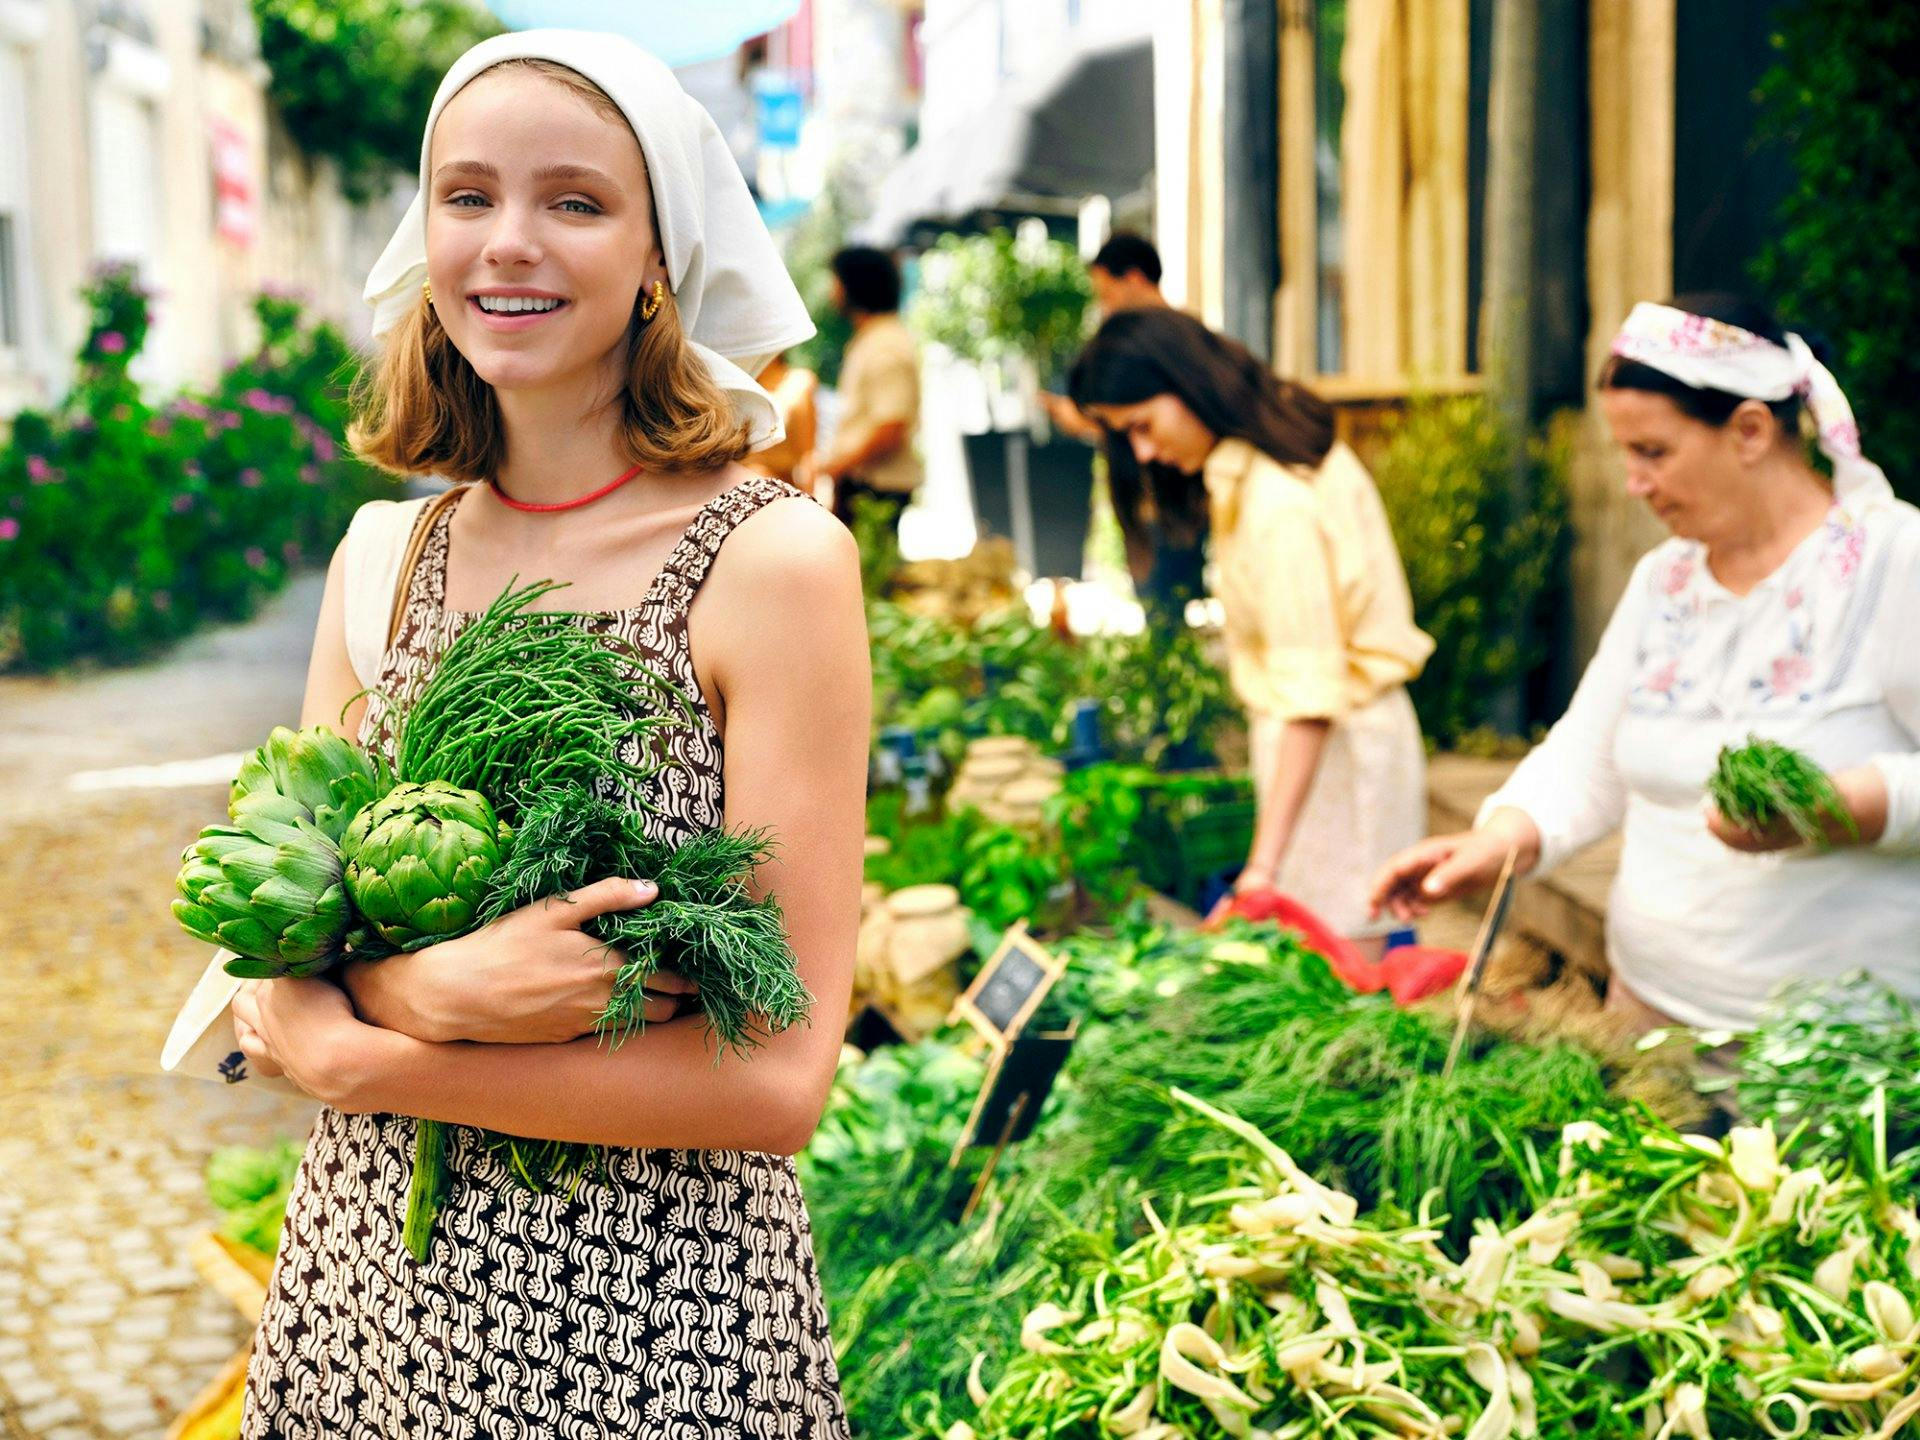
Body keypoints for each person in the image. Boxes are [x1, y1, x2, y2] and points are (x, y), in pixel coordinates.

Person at [223, 32, 865, 1435]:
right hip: (371, 1307)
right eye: (468, 196)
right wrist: (422, 992)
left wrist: (375, 1047)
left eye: (573, 201)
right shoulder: (383, 559)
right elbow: (270, 975)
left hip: (656, 1327)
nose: (508, 244)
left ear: (656, 256)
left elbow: (778, 1077)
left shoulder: (772, 565)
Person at [1371, 295, 1920, 1035]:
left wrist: (1839, 804)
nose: (1632, 482)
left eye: (1652, 452)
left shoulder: (1894, 561)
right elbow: (1587, 758)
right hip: (1651, 1029)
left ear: (1750, 431)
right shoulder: (1666, 579)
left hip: (1837, 1067)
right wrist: (1498, 840)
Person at [1071, 307, 1433, 947]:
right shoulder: (1269, 451)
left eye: (1143, 426)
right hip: (1335, 750)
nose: (1145, 451)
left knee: (1348, 967)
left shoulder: (1275, 502)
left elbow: (1310, 700)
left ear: (1185, 384)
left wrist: (1261, 868)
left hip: (1337, 757)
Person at [1040, 234, 1203, 623]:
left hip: (1174, 501)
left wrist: (1081, 421)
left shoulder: (1168, 341)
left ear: (1133, 279)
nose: (1103, 306)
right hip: (1150, 501)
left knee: (1166, 608)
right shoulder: (1168, 334)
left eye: (1106, 293)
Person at [800, 245, 921, 531]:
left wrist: (834, 465)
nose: (833, 293)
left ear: (854, 285)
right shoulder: (873, 339)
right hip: (864, 486)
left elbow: (891, 428)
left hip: (875, 491)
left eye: (836, 282)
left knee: (868, 573)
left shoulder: (885, 345)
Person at [746, 349, 819, 489]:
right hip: (733, 495)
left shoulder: (798, 382)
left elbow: (807, 455)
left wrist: (809, 499)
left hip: (779, 492)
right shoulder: (732, 385)